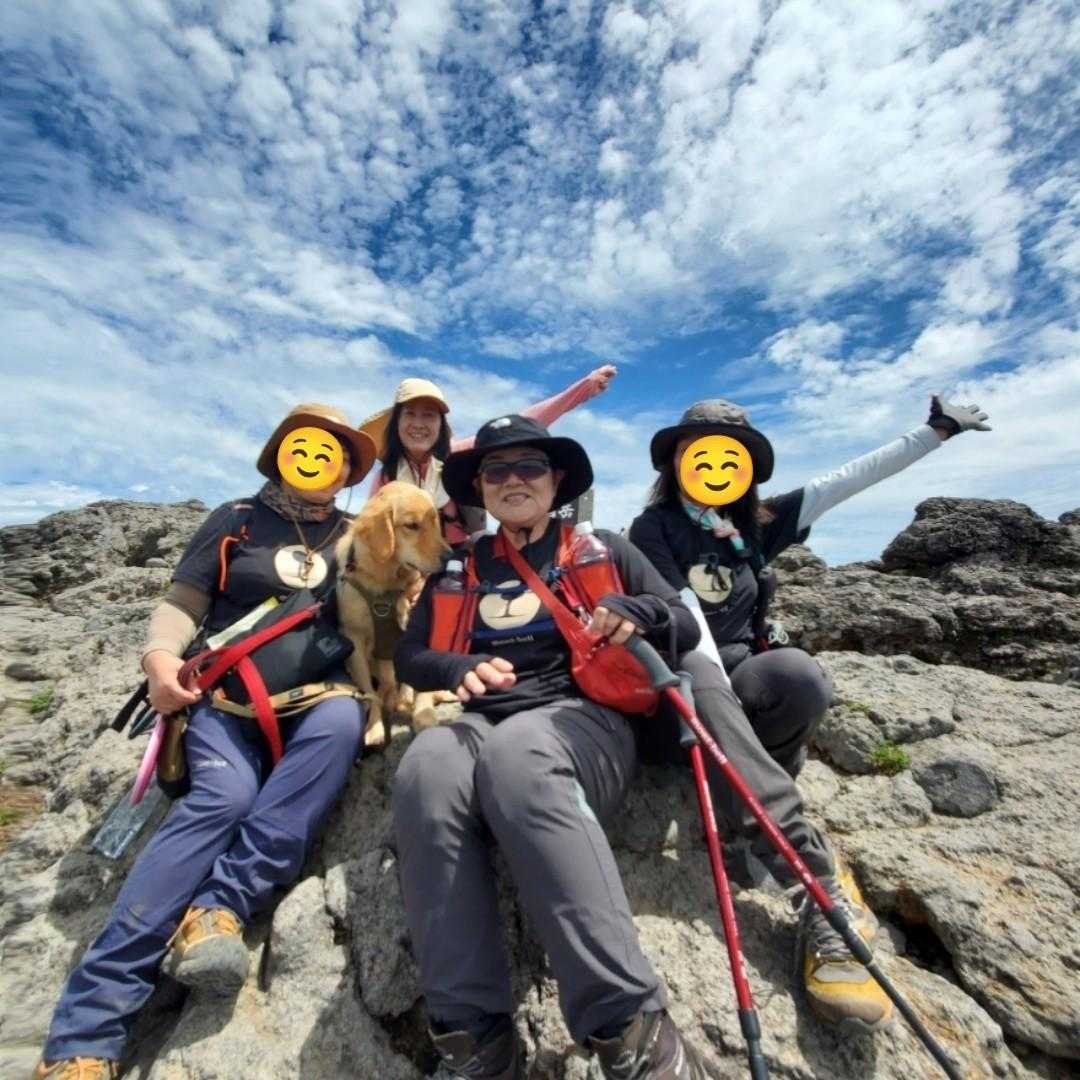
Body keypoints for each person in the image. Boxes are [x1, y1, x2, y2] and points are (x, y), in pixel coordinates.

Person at [33, 403, 377, 1080]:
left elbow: (391, 604)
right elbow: (182, 604)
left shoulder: (358, 533)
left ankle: (220, 907)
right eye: (307, 446)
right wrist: (160, 661)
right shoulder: (236, 520)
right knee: (223, 797)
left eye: (334, 453)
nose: (318, 461)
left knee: (342, 723)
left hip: (318, 695)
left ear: (346, 471)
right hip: (225, 694)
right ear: (282, 452)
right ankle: (86, 1033)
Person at [628, 394, 991, 1033]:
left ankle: (760, 792)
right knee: (707, 685)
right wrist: (715, 698)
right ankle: (813, 882)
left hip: (739, 677)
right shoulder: (651, 529)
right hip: (680, 685)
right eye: (699, 451)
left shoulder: (761, 521)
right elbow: (682, 617)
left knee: (800, 676)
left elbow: (849, 478)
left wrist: (936, 431)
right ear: (677, 460)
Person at [392, 414, 725, 1080]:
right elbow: (410, 656)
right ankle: (472, 1038)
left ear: (557, 480)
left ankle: (629, 1027)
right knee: (424, 767)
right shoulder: (459, 565)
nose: (513, 480)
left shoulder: (605, 548)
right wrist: (456, 668)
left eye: (530, 467)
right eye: (497, 470)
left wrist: (642, 612)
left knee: (520, 754)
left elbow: (683, 622)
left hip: (585, 719)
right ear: (480, 487)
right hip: (482, 721)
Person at [360, 365, 617, 545]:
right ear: (396, 423)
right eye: (409, 414)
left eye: (429, 415)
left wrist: (584, 388)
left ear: (440, 425)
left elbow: (524, 422)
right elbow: (370, 529)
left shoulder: (457, 457)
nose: (418, 424)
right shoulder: (387, 476)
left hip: (460, 566)